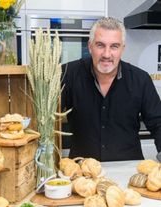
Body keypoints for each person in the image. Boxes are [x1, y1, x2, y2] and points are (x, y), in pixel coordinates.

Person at [61, 17, 161, 162]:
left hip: (129, 171)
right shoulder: (67, 74)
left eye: (114, 46)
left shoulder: (141, 79)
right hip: (81, 172)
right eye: (100, 45)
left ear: (122, 49)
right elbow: (45, 115)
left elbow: (158, 122)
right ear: (90, 46)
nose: (107, 54)